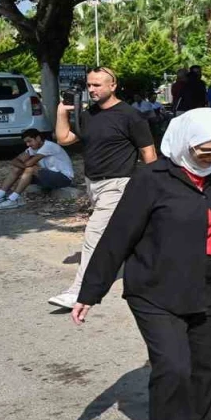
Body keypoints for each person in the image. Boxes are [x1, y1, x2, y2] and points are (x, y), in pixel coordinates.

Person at [71, 108, 211, 420]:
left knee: (206, 367)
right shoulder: (151, 179)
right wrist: (91, 291)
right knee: (173, 366)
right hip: (157, 289)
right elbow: (117, 236)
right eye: (204, 151)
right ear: (184, 144)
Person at [49, 67, 158, 310]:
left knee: (93, 236)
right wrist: (61, 113)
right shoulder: (89, 114)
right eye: (89, 85)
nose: (92, 89)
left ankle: (79, 291)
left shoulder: (130, 116)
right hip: (94, 184)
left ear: (113, 86)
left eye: (97, 85)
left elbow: (149, 154)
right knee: (129, 233)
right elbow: (64, 139)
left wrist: (156, 186)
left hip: (118, 184)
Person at [0, 129, 75, 209]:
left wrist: (25, 165)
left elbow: (29, 164)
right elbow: (15, 160)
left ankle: (14, 199)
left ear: (38, 138)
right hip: (48, 177)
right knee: (17, 169)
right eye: (26, 142)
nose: (28, 144)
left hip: (63, 179)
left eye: (29, 141)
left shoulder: (48, 146)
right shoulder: (32, 148)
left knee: (30, 169)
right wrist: (24, 166)